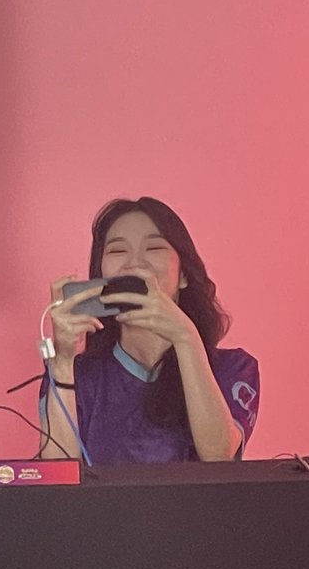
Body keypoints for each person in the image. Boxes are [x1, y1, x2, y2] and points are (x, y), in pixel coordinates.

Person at [40, 197, 259, 465]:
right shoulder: (78, 375)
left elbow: (219, 457)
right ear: (100, 274)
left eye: (154, 247)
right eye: (118, 251)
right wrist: (62, 363)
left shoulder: (234, 368)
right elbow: (57, 478)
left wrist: (185, 336)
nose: (135, 263)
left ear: (183, 275)